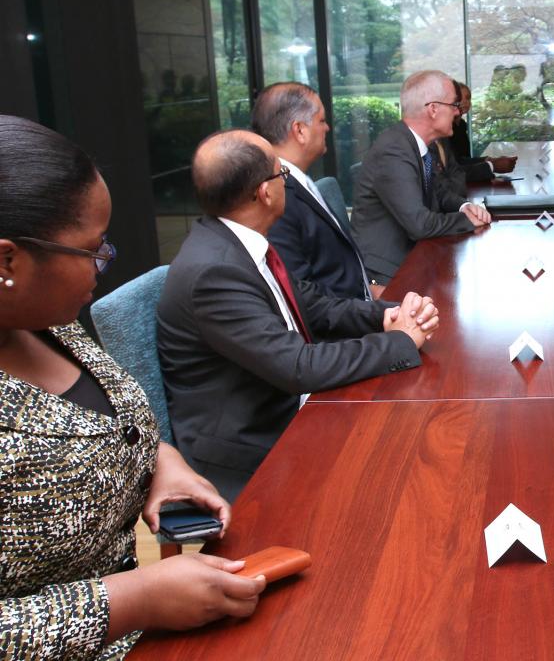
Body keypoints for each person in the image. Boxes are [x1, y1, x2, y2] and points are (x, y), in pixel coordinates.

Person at [0, 116, 264, 661]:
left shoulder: (45, 326)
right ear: (7, 261)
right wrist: (128, 601)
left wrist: (162, 467)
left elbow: (116, 424)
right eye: (92, 249)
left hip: (148, 645)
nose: (104, 264)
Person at [157, 130, 440, 502]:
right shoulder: (215, 272)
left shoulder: (240, 240)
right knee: (399, 469)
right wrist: (399, 342)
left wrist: (388, 315)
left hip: (285, 405)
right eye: (282, 176)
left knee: (408, 436)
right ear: (265, 192)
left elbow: (315, 304)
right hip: (251, 442)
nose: (286, 185)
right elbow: (297, 367)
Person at [350, 70, 492, 282]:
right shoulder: (394, 150)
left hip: (415, 254)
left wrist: (464, 207)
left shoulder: (419, 144)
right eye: (454, 105)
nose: (457, 112)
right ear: (433, 109)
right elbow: (420, 224)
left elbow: (439, 192)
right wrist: (466, 220)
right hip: (386, 272)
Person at [251, 82, 379, 300]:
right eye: (321, 120)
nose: (327, 128)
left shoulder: (299, 181)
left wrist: (373, 293)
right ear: (299, 130)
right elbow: (304, 297)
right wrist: (376, 314)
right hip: (343, 326)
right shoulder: (275, 196)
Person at [448, 80, 517, 185]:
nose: (466, 102)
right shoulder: (445, 130)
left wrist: (487, 160)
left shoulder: (461, 125)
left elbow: (461, 160)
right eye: (460, 99)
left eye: (468, 98)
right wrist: (491, 165)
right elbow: (454, 167)